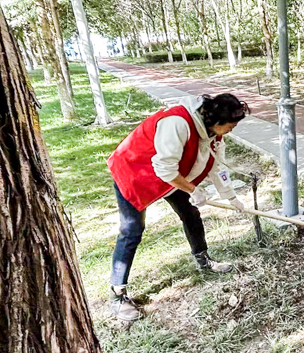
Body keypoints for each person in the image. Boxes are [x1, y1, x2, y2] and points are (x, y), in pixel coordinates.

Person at [106, 94, 250, 321]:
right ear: (216, 121)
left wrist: (231, 197)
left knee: (191, 213)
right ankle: (118, 294)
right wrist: (193, 190)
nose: (231, 130)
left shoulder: (213, 133)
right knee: (132, 230)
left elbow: (216, 165)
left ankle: (203, 259)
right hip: (136, 172)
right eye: (231, 126)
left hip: (171, 176)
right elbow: (164, 168)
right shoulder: (178, 123)